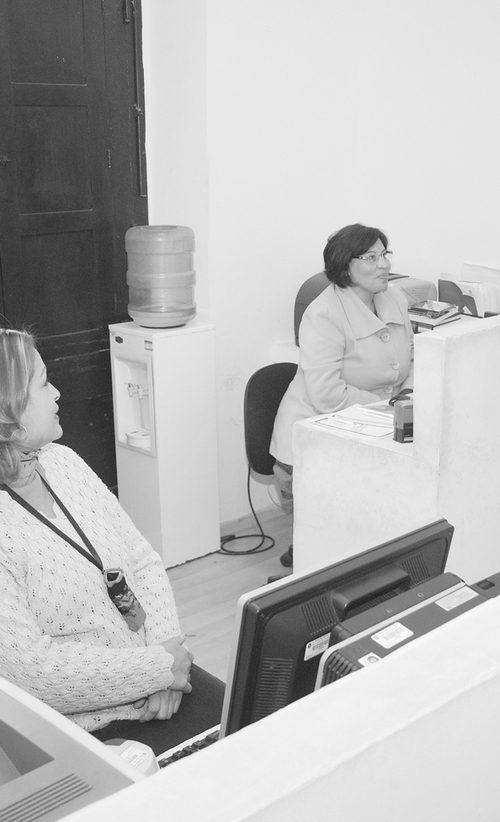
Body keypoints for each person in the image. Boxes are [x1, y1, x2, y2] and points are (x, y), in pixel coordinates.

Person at [0, 328, 224, 755]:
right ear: (8, 412)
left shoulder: (63, 462)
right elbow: (32, 673)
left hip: (158, 679)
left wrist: (167, 661)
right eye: (43, 383)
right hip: (85, 729)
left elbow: (142, 560)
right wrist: (156, 669)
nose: (57, 393)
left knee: (261, 725)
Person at [270, 223, 413, 526]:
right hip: (315, 440)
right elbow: (328, 396)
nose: (384, 265)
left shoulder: (395, 298)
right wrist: (392, 410)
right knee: (346, 530)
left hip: (372, 431)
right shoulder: (323, 314)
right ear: (345, 266)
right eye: (370, 258)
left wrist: (407, 400)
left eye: (384, 254)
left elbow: (412, 359)